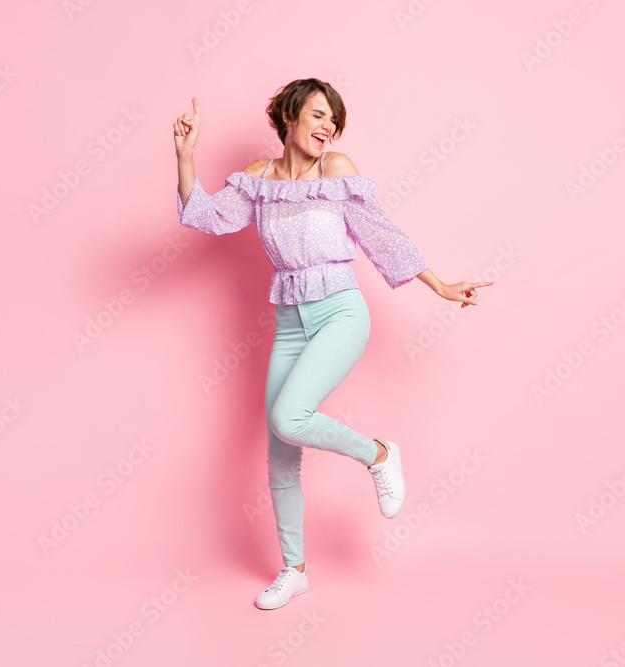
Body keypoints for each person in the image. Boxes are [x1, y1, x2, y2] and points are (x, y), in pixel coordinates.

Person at [173, 78, 492, 610]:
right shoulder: (259, 179)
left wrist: (441, 285)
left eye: (333, 120)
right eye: (318, 115)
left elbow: (381, 234)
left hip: (340, 311)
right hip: (290, 319)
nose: (328, 127)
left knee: (288, 416)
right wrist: (184, 157)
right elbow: (204, 216)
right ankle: (293, 569)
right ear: (289, 117)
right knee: (280, 456)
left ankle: (379, 453)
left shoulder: (336, 169)